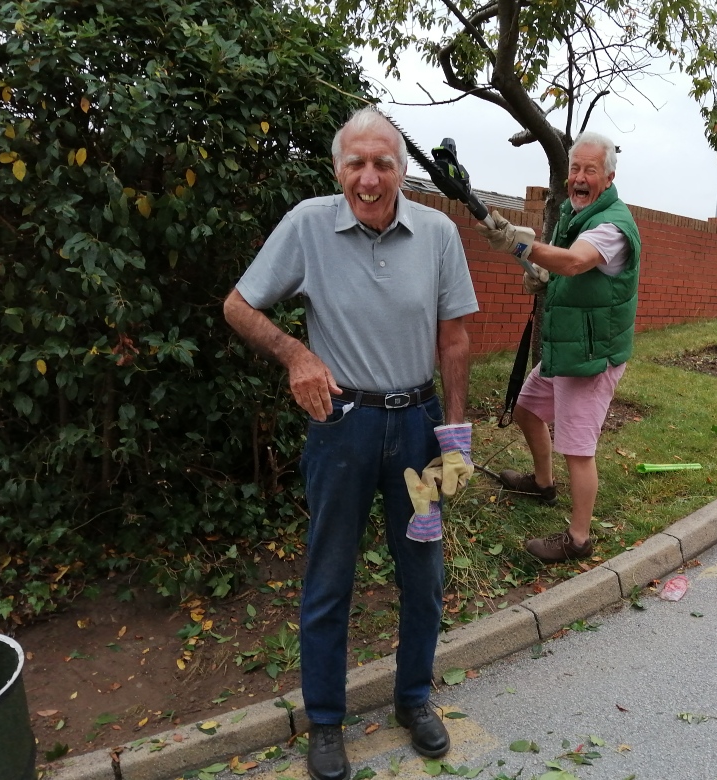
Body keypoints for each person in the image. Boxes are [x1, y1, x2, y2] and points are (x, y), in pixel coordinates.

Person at [223, 106, 478, 780]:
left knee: (423, 572)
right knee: (330, 576)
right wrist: (296, 358)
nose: (370, 178)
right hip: (343, 429)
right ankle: (326, 722)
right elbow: (238, 306)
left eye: (383, 163)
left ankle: (415, 697)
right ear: (337, 168)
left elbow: (455, 339)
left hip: (420, 430)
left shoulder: (439, 233)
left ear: (400, 169)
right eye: (356, 164)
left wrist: (455, 436)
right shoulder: (308, 224)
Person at [475, 131, 641, 563]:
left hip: (590, 356)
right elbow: (567, 267)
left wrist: (520, 242)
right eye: (575, 169)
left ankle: (578, 539)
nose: (580, 178)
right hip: (567, 347)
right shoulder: (575, 213)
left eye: (590, 170)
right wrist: (543, 274)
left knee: (578, 449)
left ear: (609, 177)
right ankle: (543, 484)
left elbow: (574, 261)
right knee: (527, 410)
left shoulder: (612, 225)